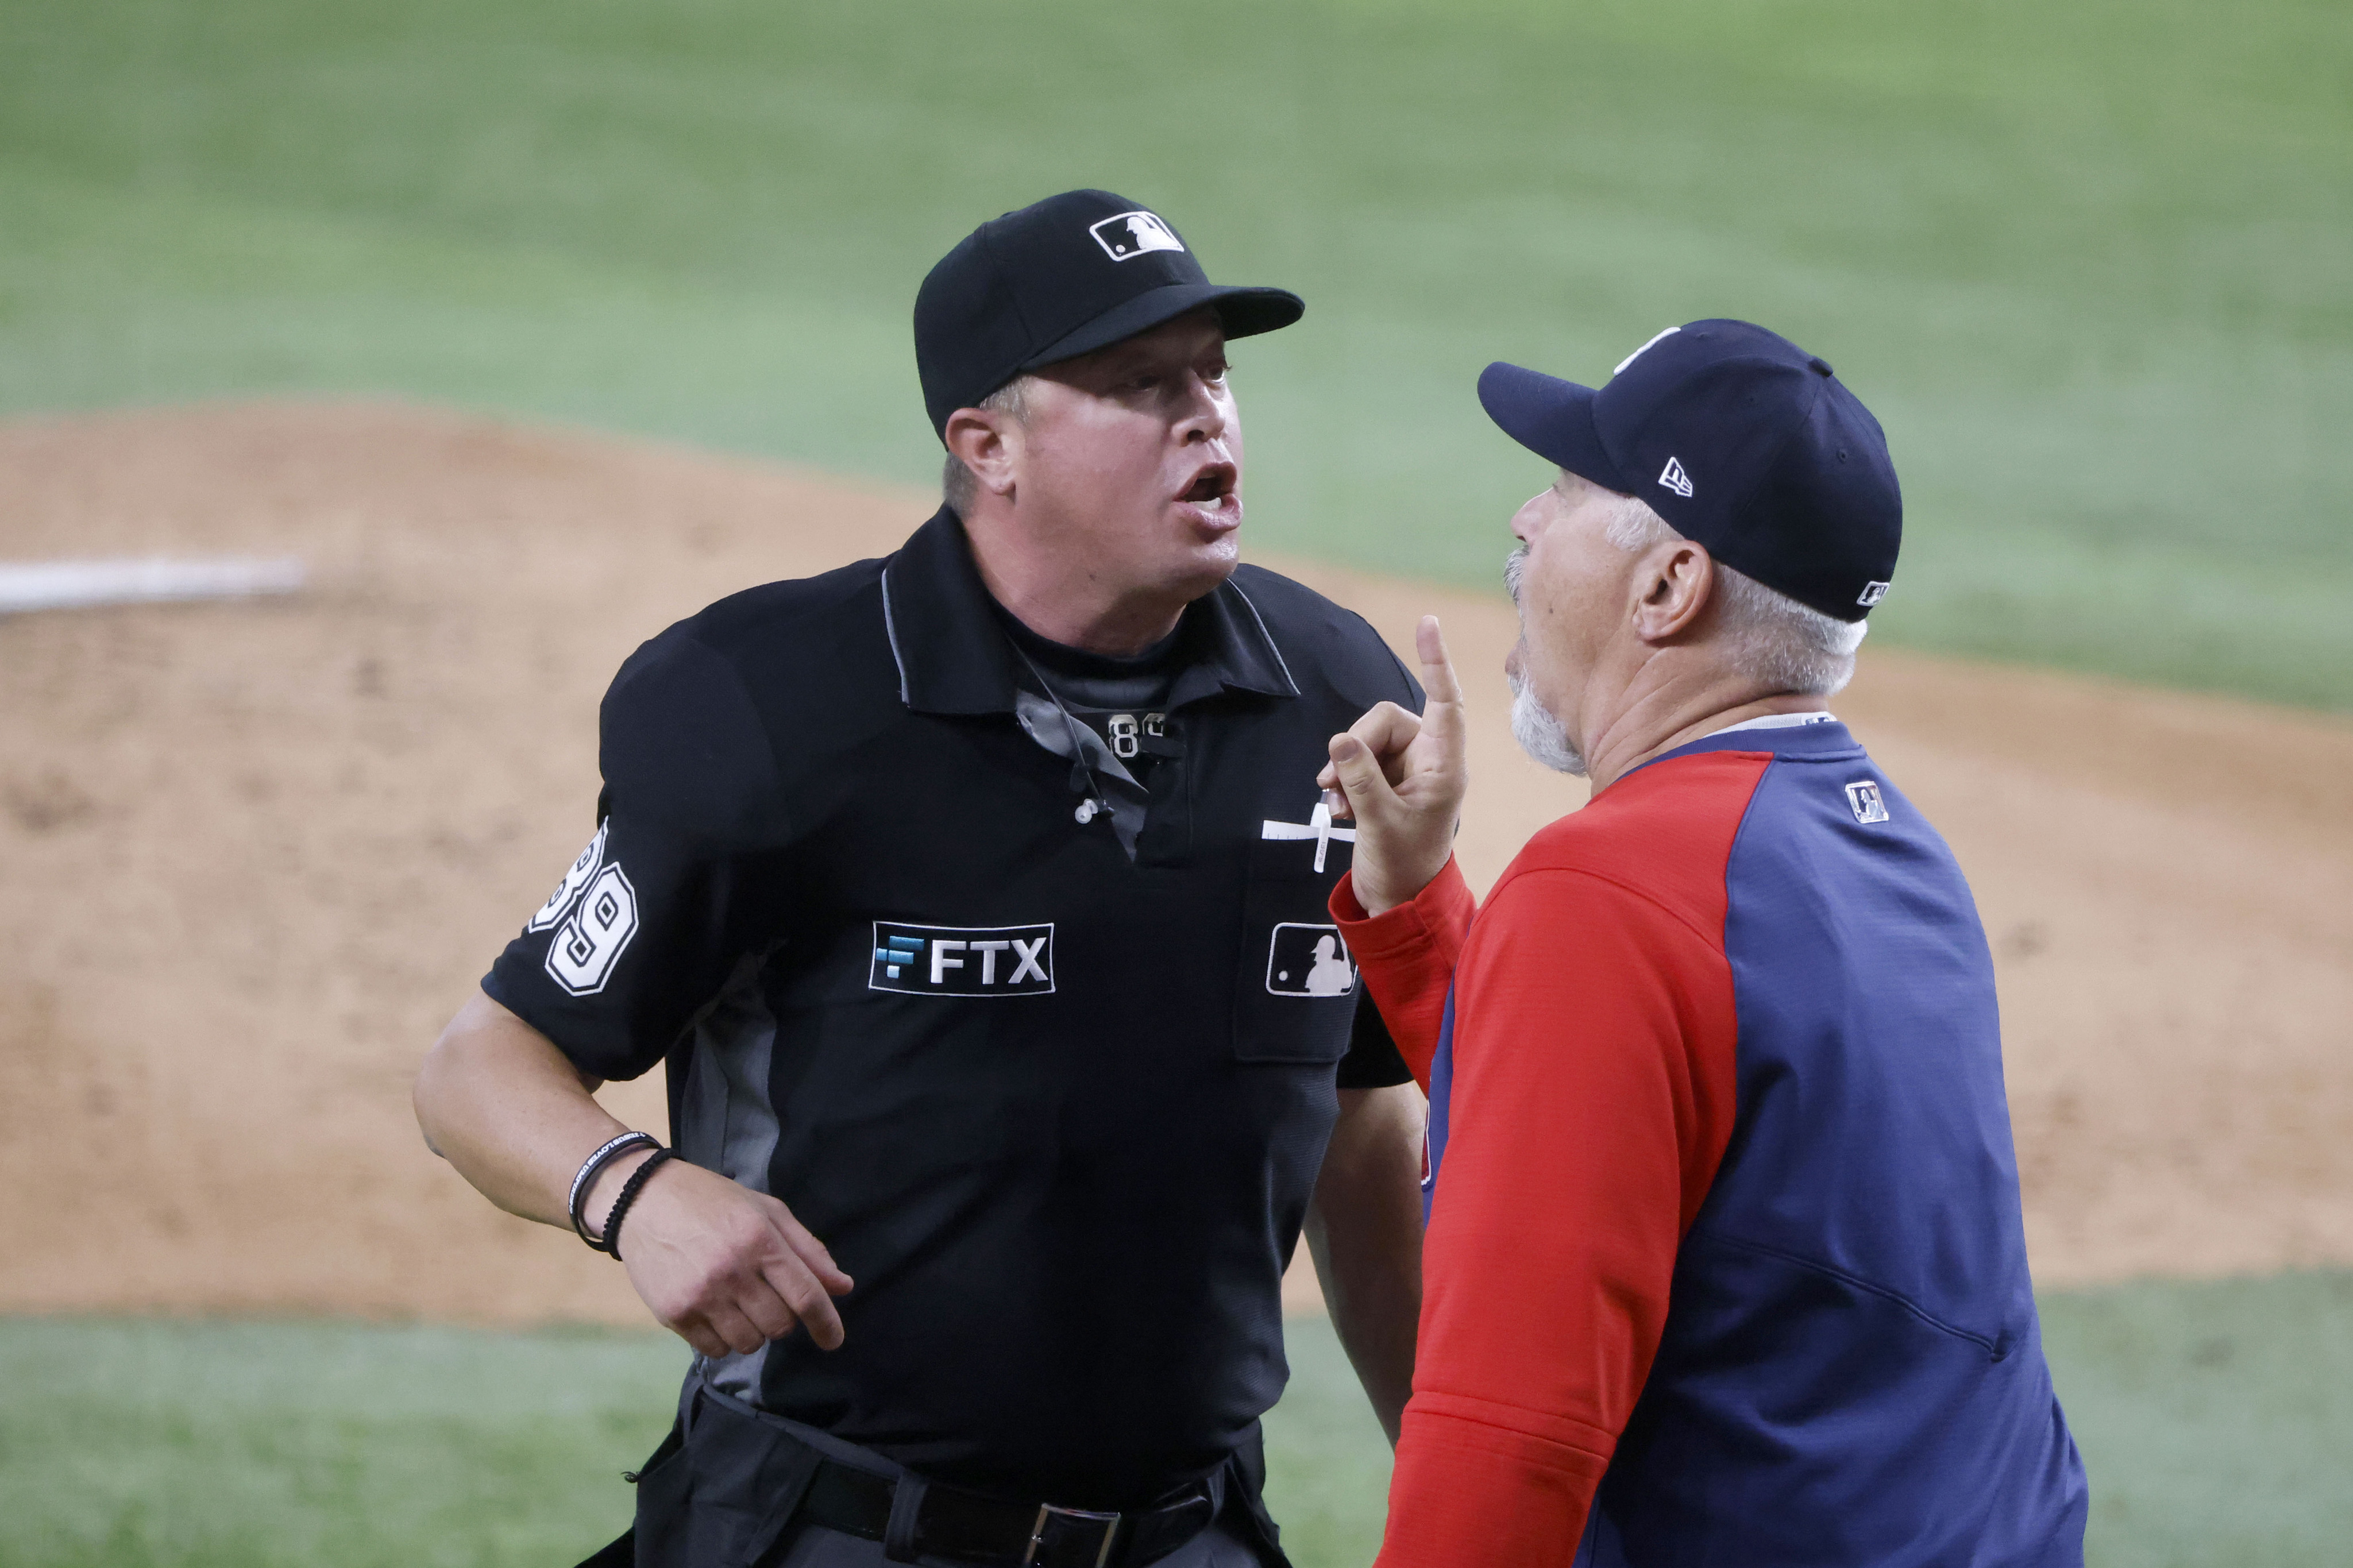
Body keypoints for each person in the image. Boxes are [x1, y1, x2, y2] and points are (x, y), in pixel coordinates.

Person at [412, 189, 1429, 1568]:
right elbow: (481, 1067)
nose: (1206, 418)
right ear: (986, 444)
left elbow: (1364, 1125)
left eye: (1213, 371)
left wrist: (1453, 1468)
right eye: (1139, 383)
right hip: (834, 1528)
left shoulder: (1332, 697)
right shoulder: (771, 706)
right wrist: (632, 1191)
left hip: (1194, 1533)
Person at [1317, 320, 2089, 1565]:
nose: (1523, 517)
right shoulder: (1892, 856)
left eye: (1567, 488)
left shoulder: (1605, 895)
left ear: (1667, 588)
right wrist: (1417, 913)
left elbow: (1504, 1444)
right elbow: (1636, 1121)